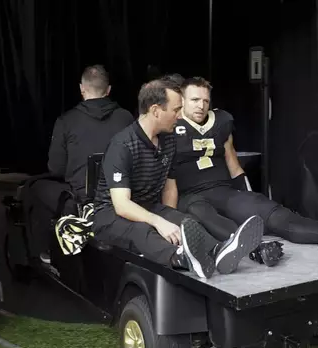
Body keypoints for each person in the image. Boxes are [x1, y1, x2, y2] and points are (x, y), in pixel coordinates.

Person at [171, 77, 318, 265]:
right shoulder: (170, 125)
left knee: (274, 214)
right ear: (182, 100)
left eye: (205, 101)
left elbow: (233, 164)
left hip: (223, 191)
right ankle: (257, 249)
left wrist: (249, 194)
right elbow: (163, 175)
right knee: (203, 213)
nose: (201, 105)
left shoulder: (221, 122)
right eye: (195, 100)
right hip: (191, 196)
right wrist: (169, 217)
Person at [91, 77, 264, 279]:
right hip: (111, 215)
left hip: (148, 205)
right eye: (175, 110)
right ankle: (183, 259)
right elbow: (121, 205)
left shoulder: (169, 140)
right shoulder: (122, 145)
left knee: (186, 221)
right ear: (156, 111)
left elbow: (169, 188)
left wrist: (172, 221)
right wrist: (159, 223)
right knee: (142, 231)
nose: (180, 115)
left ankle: (218, 252)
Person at [25, 65, 134, 264]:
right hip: (123, 194)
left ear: (82, 89)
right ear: (108, 90)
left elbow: (56, 168)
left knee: (34, 188)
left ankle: (45, 252)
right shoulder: (127, 118)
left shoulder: (66, 121)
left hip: (83, 198)